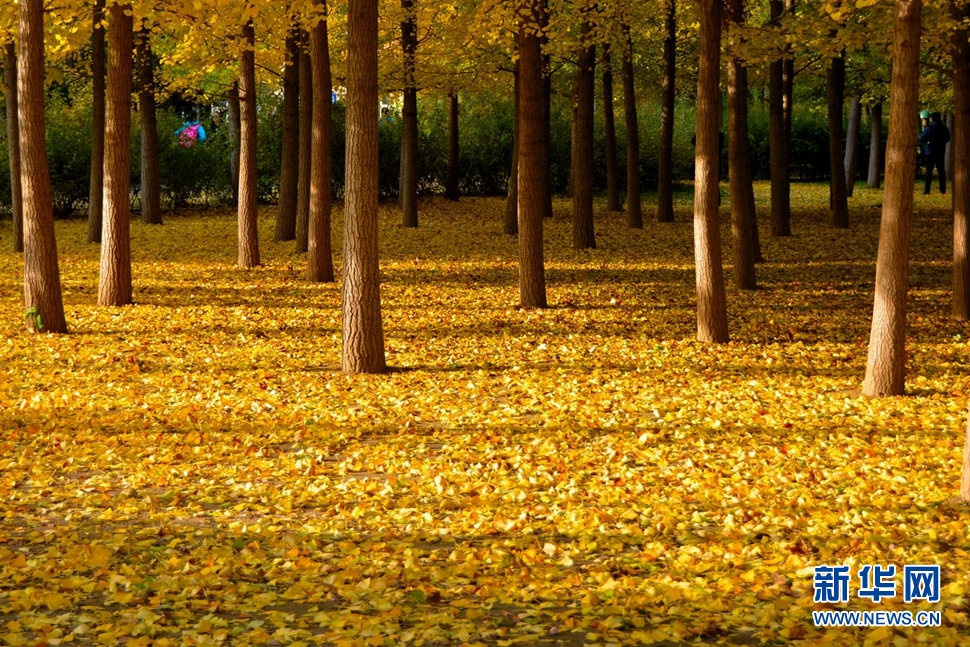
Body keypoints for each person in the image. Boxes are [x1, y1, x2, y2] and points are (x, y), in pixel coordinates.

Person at [919, 110, 949, 194]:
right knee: (941, 171)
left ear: (932, 118)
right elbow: (948, 138)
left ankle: (927, 190)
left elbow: (921, 138)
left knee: (929, 171)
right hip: (940, 152)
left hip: (930, 152)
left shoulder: (929, 128)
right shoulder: (944, 128)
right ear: (939, 118)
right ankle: (942, 189)